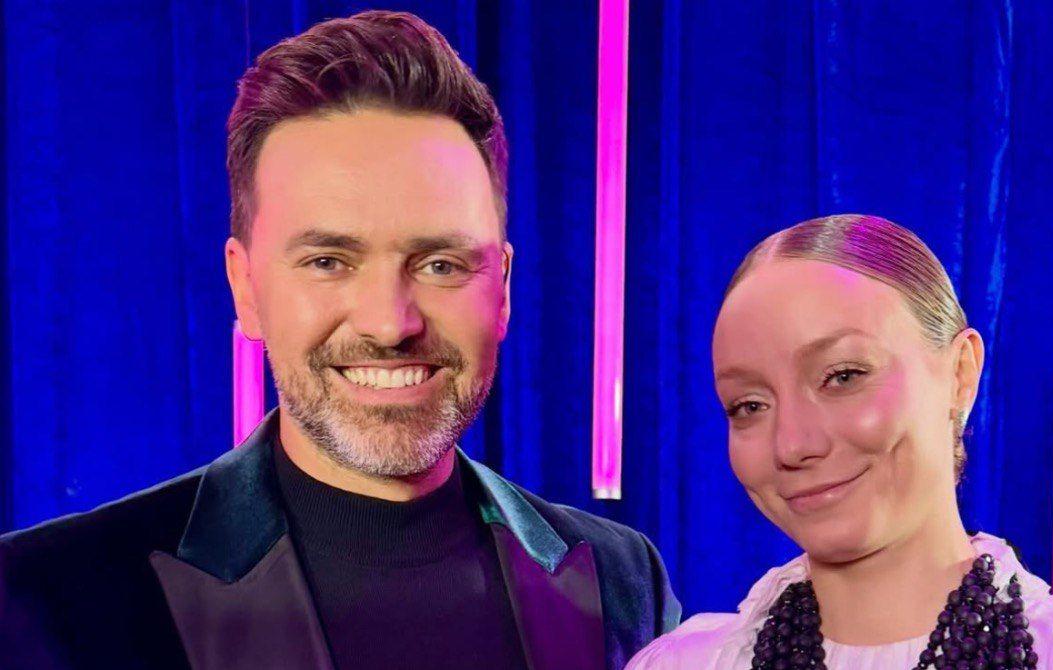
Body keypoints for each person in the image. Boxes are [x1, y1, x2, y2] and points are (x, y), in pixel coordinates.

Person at [0, 11, 678, 670]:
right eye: (328, 261)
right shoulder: (47, 599)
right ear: (244, 288)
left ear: (501, 288)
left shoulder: (622, 580)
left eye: (440, 265)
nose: (390, 323)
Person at [627, 214, 1053, 669]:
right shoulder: (682, 663)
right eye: (749, 405)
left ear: (960, 374)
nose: (792, 444)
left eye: (843, 376)